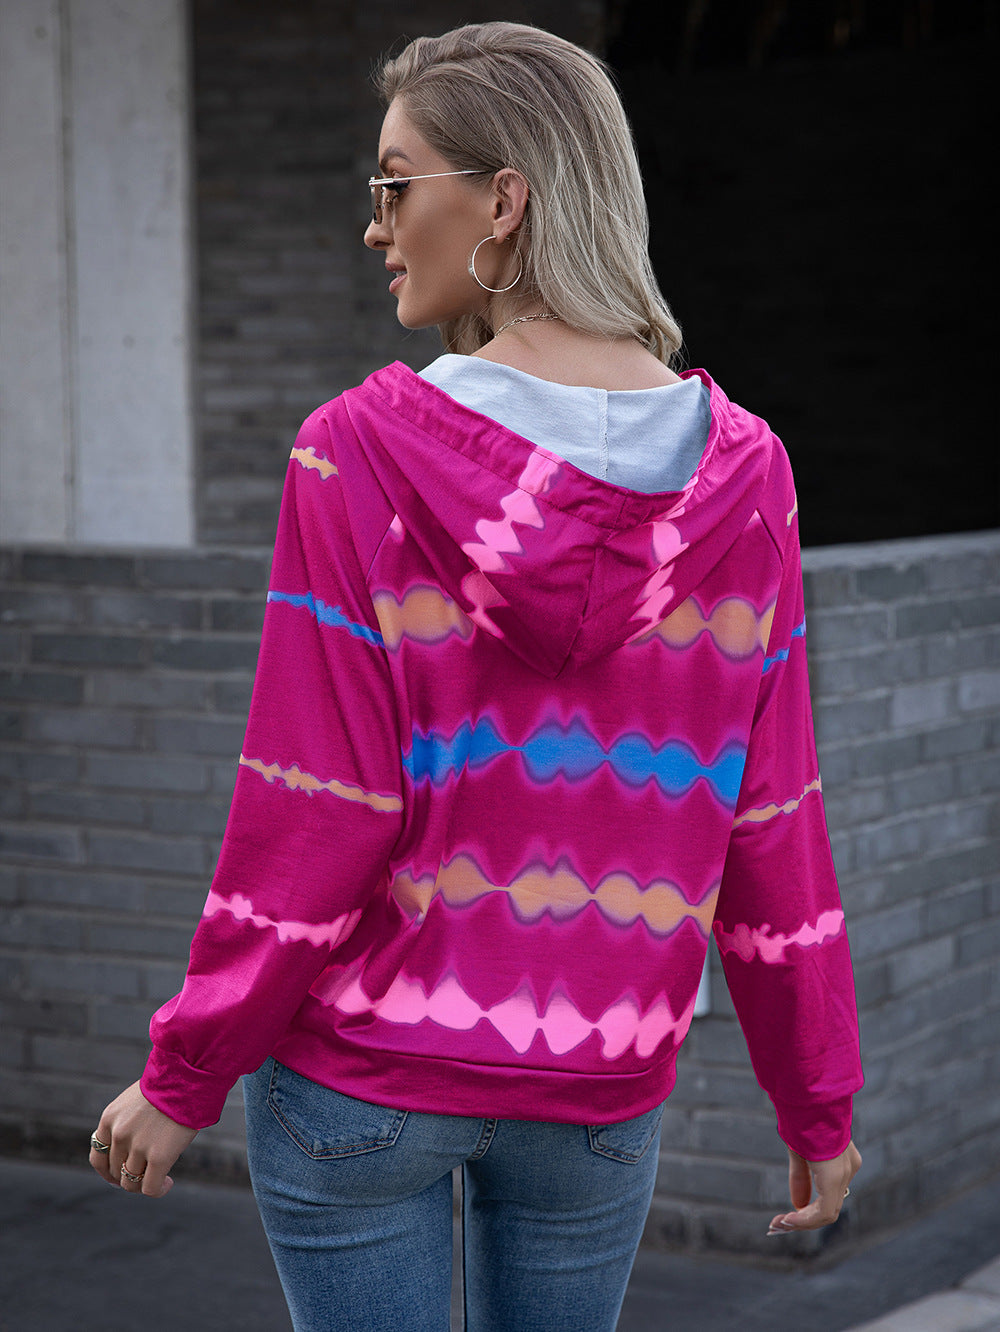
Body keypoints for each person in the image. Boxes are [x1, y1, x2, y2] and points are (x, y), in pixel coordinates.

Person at [89, 20, 862, 1331]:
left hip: (362, 1082)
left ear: (502, 200)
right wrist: (814, 1098)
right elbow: (769, 823)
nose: (375, 224)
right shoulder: (751, 480)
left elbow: (318, 804)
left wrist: (186, 1070)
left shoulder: (358, 457)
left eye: (397, 183)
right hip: (600, 1089)